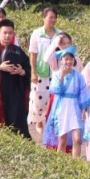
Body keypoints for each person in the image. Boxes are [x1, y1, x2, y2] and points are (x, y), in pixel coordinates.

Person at [48, 46, 90, 157]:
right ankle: (60, 163)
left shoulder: (78, 76)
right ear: (61, 60)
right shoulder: (57, 74)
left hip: (75, 107)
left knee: (77, 138)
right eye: (66, 59)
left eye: (71, 59)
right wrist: (62, 77)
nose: (68, 61)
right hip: (62, 107)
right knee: (62, 139)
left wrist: (84, 108)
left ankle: (76, 162)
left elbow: (83, 92)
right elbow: (56, 90)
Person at [42, 32, 82, 150]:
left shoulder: (76, 59)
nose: (66, 45)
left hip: (73, 100)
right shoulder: (55, 58)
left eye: (68, 43)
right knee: (59, 131)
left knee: (75, 132)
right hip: (58, 97)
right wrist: (55, 43)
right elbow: (45, 58)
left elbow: (82, 77)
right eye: (63, 43)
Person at [28, 7, 62, 136]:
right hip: (41, 72)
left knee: (52, 98)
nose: (53, 20)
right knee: (38, 99)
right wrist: (33, 72)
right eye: (50, 17)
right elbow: (33, 54)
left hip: (55, 72)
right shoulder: (37, 33)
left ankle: (49, 122)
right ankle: (39, 120)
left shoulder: (60, 34)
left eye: (55, 17)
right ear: (43, 18)